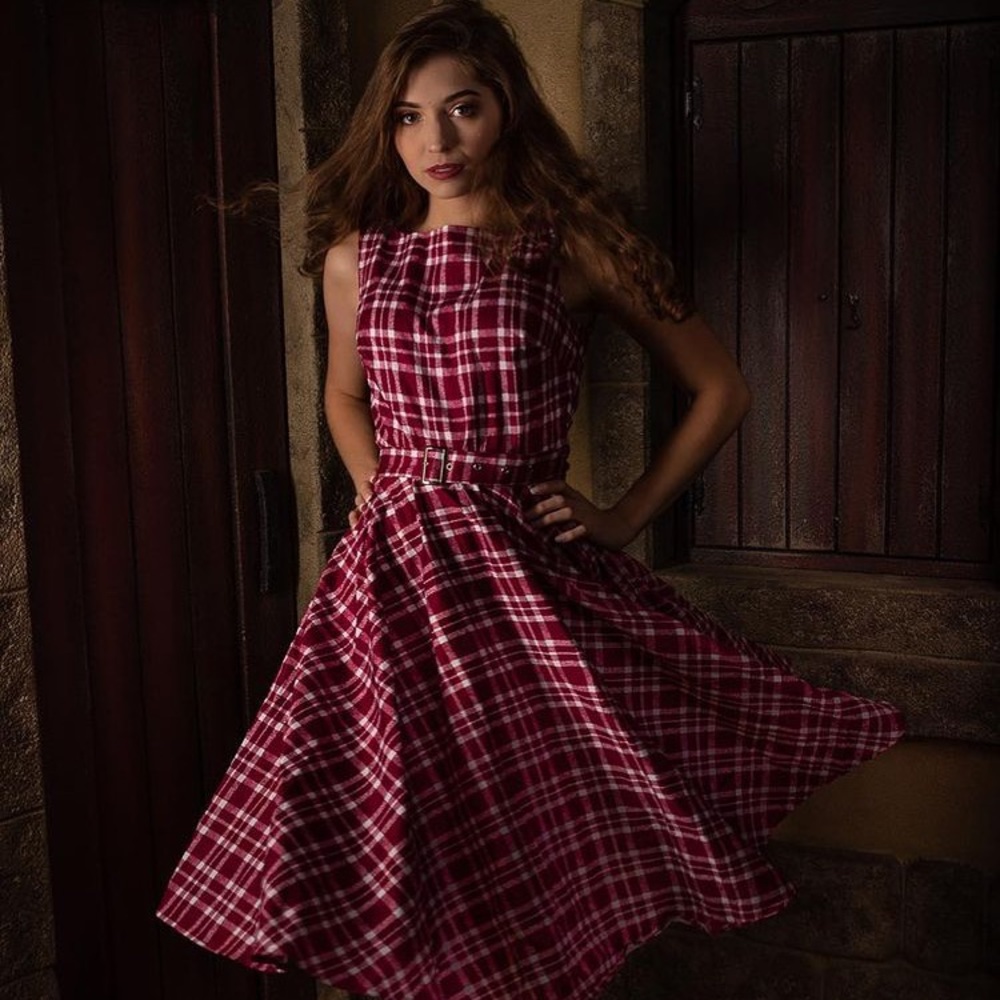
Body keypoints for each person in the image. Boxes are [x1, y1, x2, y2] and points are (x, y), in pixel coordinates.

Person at [156, 3, 905, 998]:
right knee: (399, 828)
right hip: (391, 588)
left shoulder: (571, 247)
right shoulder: (356, 258)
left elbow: (722, 388)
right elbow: (343, 396)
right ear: (387, 130)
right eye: (410, 118)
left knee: (537, 831)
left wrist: (625, 514)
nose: (437, 140)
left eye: (462, 108)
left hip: (527, 582)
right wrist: (385, 491)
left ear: (505, 107)